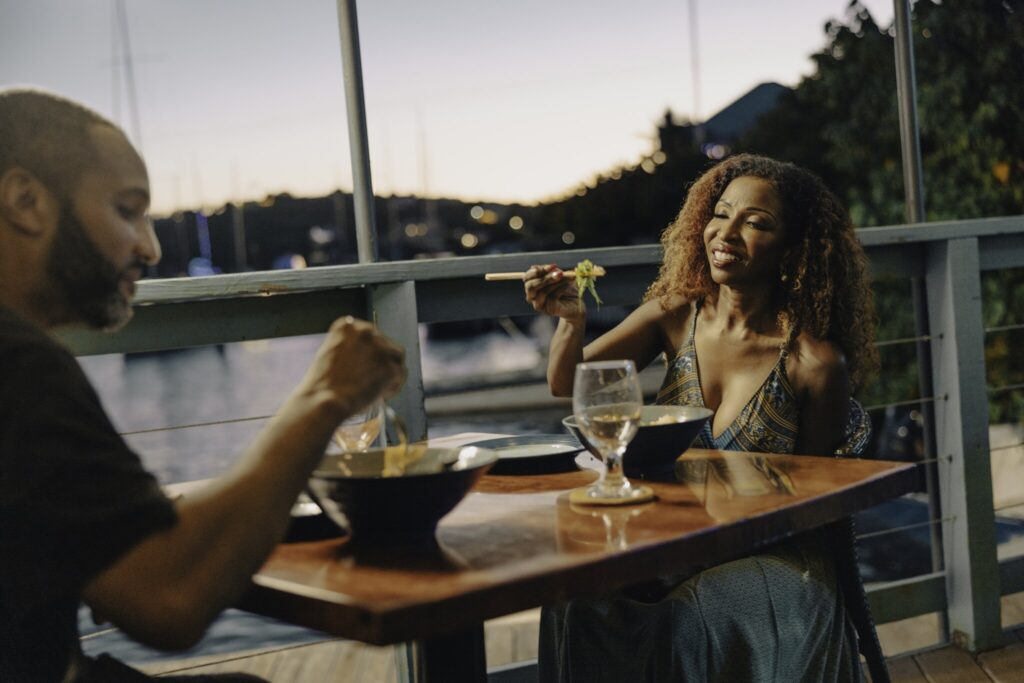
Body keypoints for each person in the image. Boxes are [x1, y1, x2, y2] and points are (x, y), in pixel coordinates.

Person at [0, 88, 406, 682]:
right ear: (26, 201)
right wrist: (326, 397)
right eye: (126, 210)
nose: (150, 247)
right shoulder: (19, 364)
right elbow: (167, 599)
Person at [524, 153, 879, 682]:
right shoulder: (675, 313)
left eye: (756, 223)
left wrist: (697, 557)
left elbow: (815, 507)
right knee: (575, 598)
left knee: (687, 619)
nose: (727, 233)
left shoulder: (815, 363)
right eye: (721, 213)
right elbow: (568, 383)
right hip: (681, 540)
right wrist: (571, 320)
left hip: (782, 558)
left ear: (794, 249)